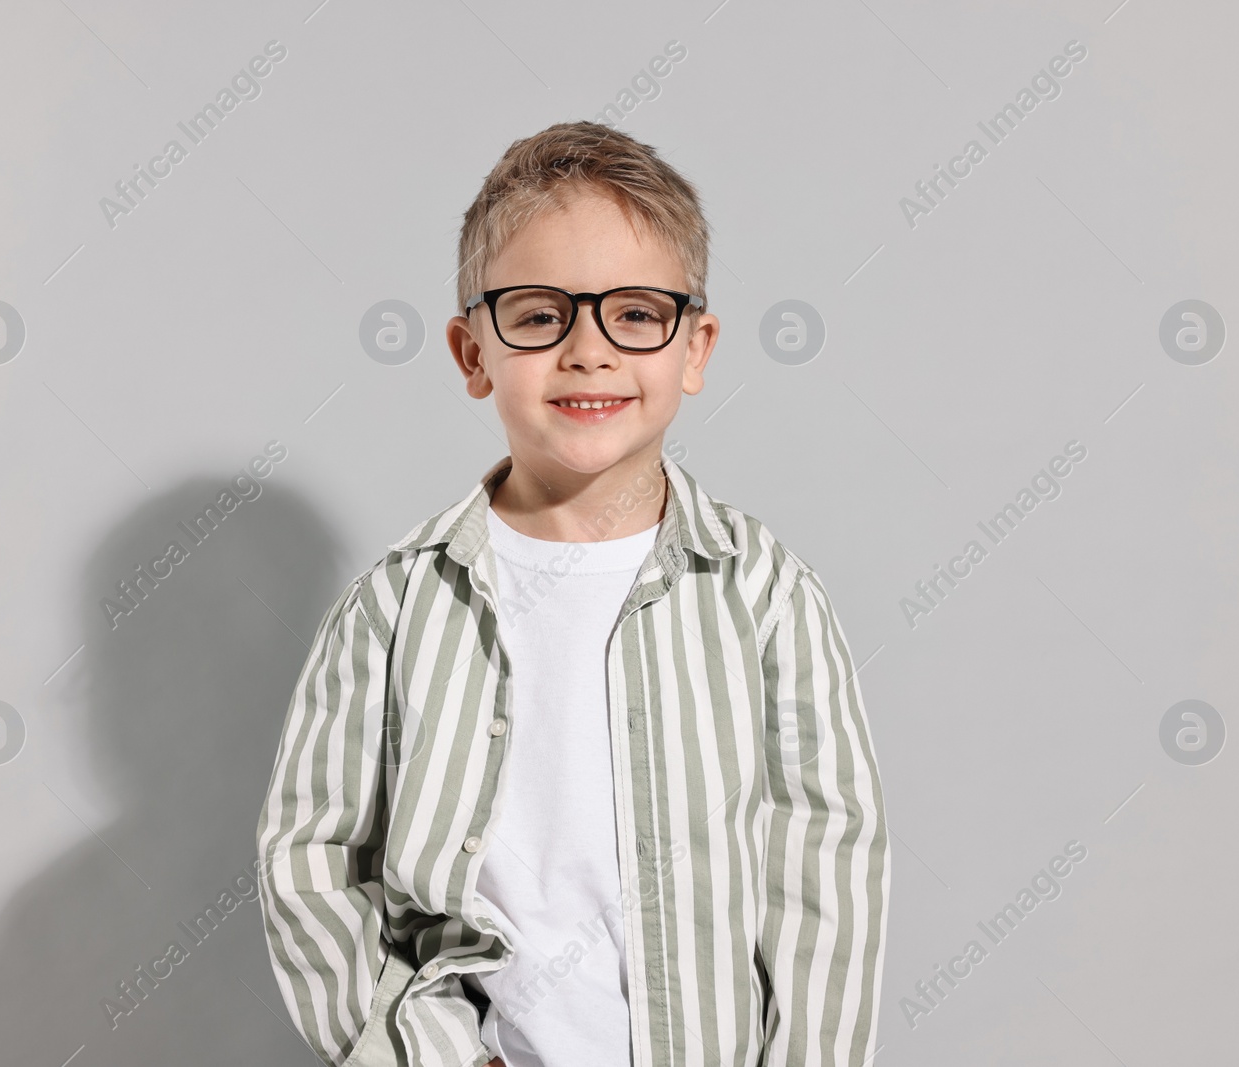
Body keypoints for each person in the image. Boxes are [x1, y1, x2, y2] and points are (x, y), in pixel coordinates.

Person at [255, 120, 889, 1067]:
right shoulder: (392, 610)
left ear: (695, 348)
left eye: (635, 314)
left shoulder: (767, 597)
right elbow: (311, 858)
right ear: (474, 353)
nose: (588, 350)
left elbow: (826, 877)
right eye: (541, 312)